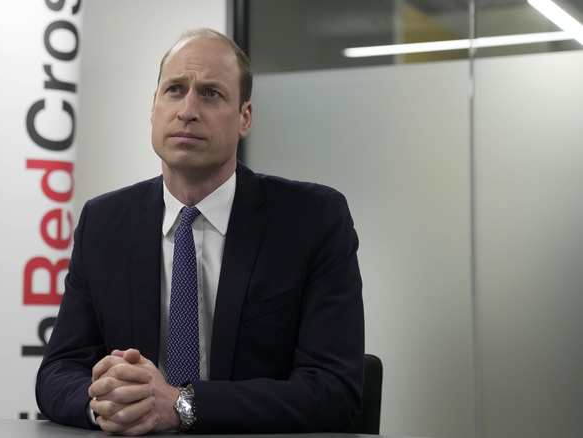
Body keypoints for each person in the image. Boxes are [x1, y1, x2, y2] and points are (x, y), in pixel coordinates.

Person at [35, 28, 364, 436]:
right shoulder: (104, 222)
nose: (187, 109)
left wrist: (181, 406)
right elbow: (58, 371)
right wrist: (106, 401)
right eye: (174, 89)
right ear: (154, 106)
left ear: (244, 118)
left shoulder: (314, 220)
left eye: (210, 93)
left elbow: (334, 390)